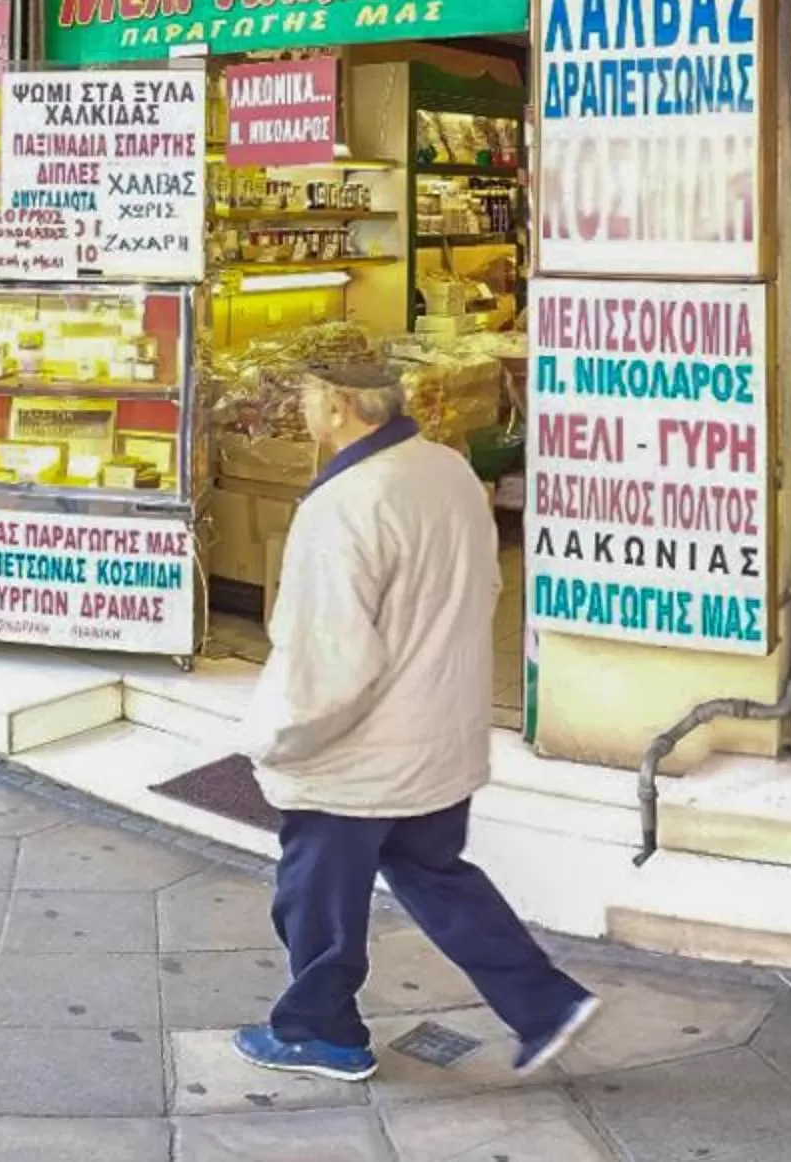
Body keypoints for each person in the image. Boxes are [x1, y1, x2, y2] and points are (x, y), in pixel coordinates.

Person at [235, 357, 599, 1081]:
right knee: (436, 874)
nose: (302, 407)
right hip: (440, 731)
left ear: (338, 404)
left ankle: (321, 1031)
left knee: (315, 900)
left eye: (307, 394)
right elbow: (487, 584)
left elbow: (328, 658)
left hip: (358, 754)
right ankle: (545, 1003)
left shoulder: (344, 505)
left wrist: (275, 739)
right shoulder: (449, 469)